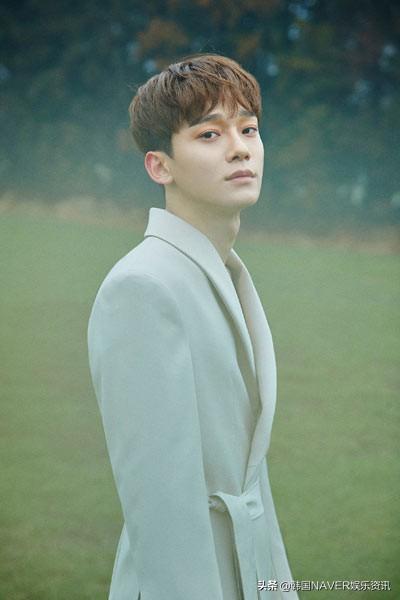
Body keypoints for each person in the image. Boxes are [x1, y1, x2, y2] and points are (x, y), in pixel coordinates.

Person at [87, 54, 298, 600]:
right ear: (160, 167)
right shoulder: (142, 287)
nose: (240, 148)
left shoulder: (222, 270)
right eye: (209, 134)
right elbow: (160, 505)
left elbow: (249, 483)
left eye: (248, 129)